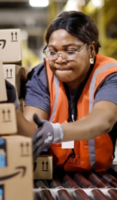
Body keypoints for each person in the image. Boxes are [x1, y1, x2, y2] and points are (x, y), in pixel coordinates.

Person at [7, 11, 117, 172]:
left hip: (97, 174)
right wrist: (12, 107)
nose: (59, 59)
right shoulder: (41, 76)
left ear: (91, 49)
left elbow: (103, 119)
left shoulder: (110, 74)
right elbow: (32, 128)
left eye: (70, 51)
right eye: (52, 52)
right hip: (51, 175)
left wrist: (56, 131)